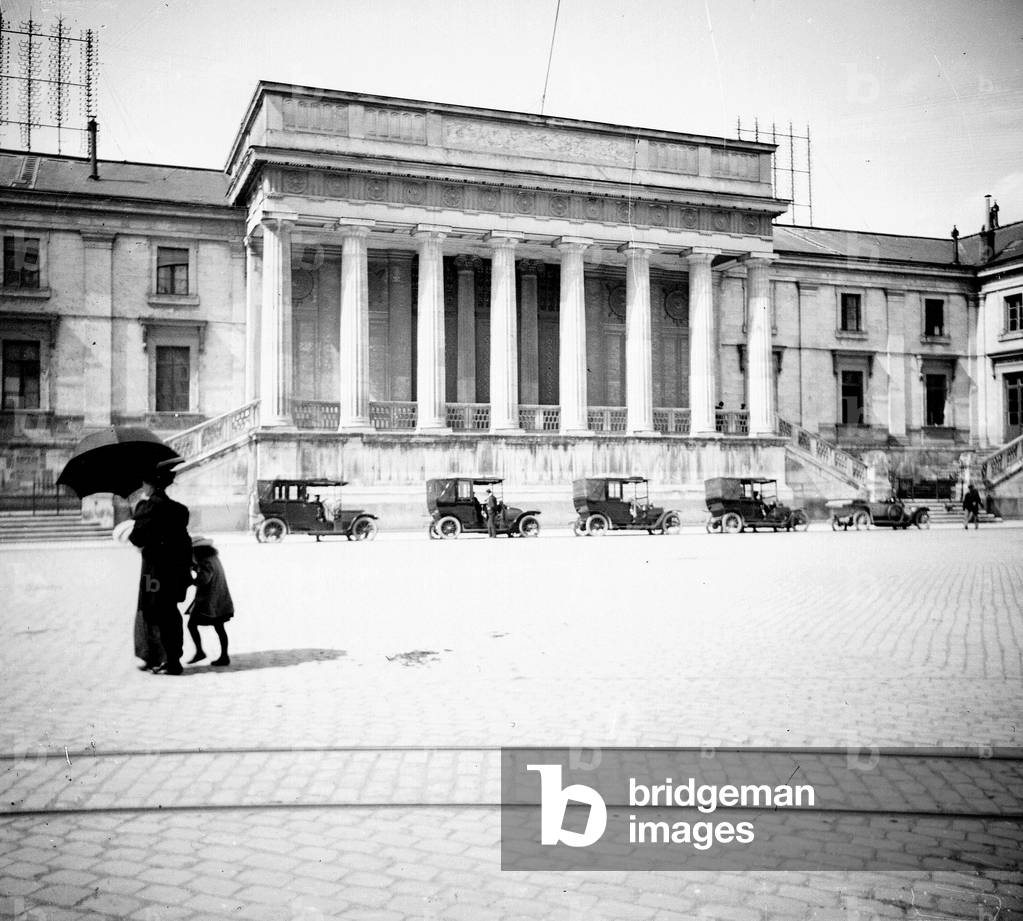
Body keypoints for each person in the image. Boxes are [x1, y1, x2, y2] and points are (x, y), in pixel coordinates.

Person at [129, 458, 192, 675]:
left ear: (150, 485)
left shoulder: (147, 508)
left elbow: (136, 538)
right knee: (169, 611)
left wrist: (137, 513)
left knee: (152, 610)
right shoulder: (179, 510)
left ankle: (159, 658)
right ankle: (171, 658)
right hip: (175, 572)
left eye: (144, 482)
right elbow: (185, 542)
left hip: (153, 573)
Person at [186, 537, 234, 667]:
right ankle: (224, 655)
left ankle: (202, 652)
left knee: (192, 624)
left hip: (210, 602)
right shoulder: (213, 558)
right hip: (220, 600)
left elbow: (204, 579)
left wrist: (192, 580)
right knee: (220, 628)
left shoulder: (205, 561)